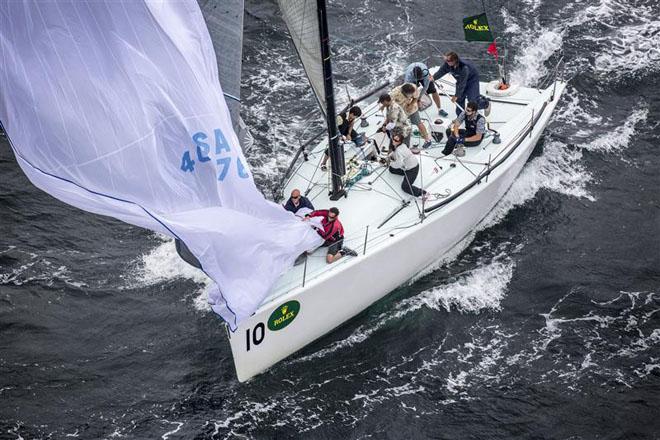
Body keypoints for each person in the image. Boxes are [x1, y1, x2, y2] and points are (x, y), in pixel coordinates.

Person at [432, 51, 491, 117]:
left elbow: (461, 84)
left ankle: (486, 104)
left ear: (454, 60)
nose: (446, 62)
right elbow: (441, 71)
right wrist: (433, 78)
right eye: (446, 60)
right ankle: (460, 117)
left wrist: (456, 95)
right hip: (461, 81)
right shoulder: (447, 64)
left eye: (448, 60)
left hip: (472, 80)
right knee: (459, 100)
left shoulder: (464, 68)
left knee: (472, 102)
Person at [390, 83, 433, 149]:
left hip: (412, 109)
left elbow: (416, 97)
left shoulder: (413, 87)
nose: (410, 97)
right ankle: (402, 144)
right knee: (402, 127)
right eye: (408, 96)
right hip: (401, 111)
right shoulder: (394, 94)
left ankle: (427, 140)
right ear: (403, 92)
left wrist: (411, 104)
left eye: (411, 95)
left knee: (419, 123)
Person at [321, 106, 363, 171]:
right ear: (351, 114)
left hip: (345, 128)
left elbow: (351, 124)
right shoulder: (341, 117)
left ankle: (355, 146)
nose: (355, 118)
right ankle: (323, 163)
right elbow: (333, 129)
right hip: (336, 131)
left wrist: (349, 134)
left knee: (356, 136)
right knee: (332, 147)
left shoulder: (352, 117)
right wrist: (340, 137)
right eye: (356, 116)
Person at [388, 133, 428, 199]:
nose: (393, 141)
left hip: (412, 169)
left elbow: (399, 164)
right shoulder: (403, 145)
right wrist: (389, 157)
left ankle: (423, 193)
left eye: (396, 140)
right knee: (391, 169)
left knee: (405, 187)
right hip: (407, 167)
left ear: (400, 142)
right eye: (393, 139)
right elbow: (395, 152)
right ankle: (403, 172)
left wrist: (391, 163)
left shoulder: (399, 151)